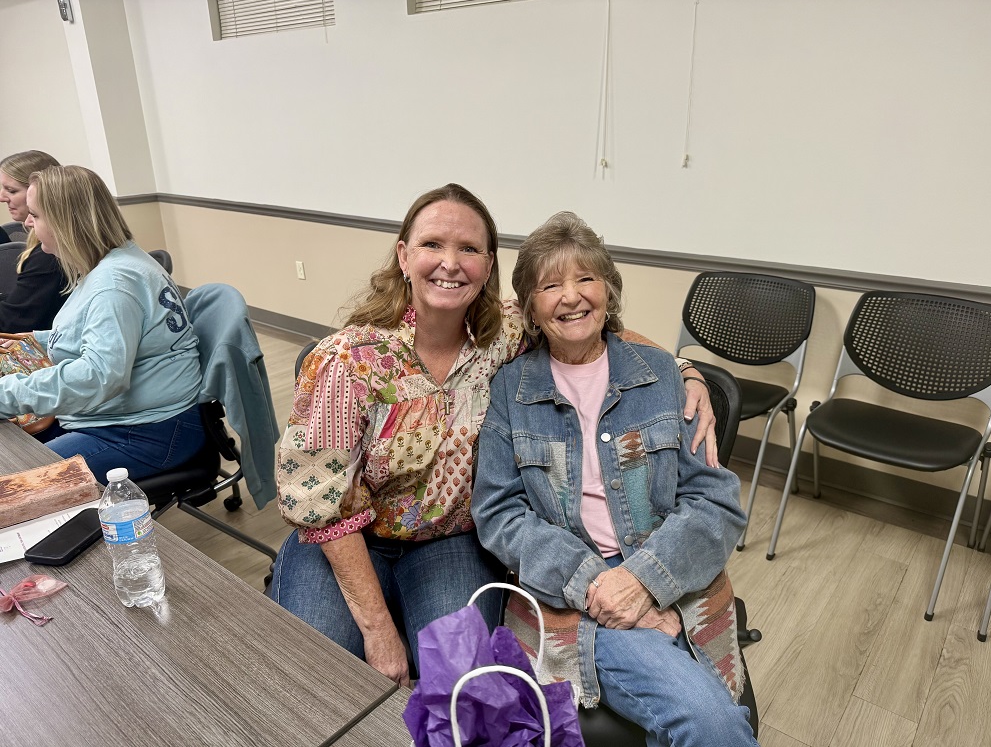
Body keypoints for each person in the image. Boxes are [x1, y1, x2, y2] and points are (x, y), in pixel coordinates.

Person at [268, 184, 718, 688]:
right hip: (346, 543)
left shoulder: (502, 338)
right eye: (433, 244)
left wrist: (684, 370)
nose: (450, 263)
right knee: (313, 675)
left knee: (460, 683)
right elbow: (318, 501)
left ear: (488, 266)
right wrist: (378, 632)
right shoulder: (349, 360)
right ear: (403, 255)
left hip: (447, 542)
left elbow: (589, 328)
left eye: (469, 249)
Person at [472, 211, 758, 746]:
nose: (571, 296)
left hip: (671, 566)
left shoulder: (662, 375)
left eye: (586, 279)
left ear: (609, 290)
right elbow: (499, 514)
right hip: (572, 591)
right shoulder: (510, 390)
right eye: (550, 284)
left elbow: (715, 503)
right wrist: (598, 585)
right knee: (711, 721)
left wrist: (643, 580)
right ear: (529, 307)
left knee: (703, 721)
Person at [0, 165, 205, 481]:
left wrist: (6, 394)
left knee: (19, 481)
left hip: (145, 433)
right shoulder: (121, 259)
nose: (27, 222)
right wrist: (40, 339)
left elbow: (98, 377)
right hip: (142, 420)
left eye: (36, 215)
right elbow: (107, 330)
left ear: (66, 221)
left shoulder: (113, 282)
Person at [0, 151, 67, 332]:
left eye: (12, 190)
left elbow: (12, 322)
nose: (2, 197)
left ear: (36, 191)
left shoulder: (50, 255)